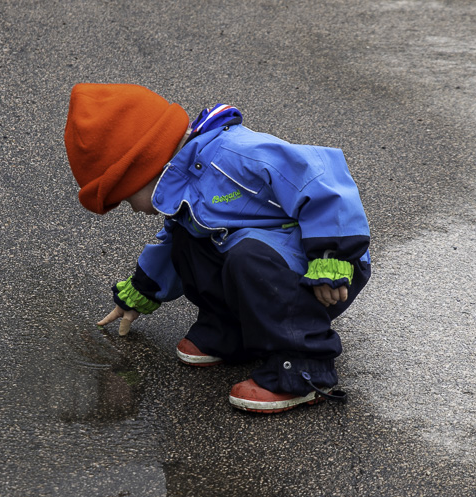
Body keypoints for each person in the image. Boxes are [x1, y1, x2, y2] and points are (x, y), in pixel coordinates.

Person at [64, 82, 372, 413]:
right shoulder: (185, 183)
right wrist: (141, 291)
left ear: (143, 167)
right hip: (268, 267)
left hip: (324, 270)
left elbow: (323, 179)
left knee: (246, 255)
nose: (134, 208)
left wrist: (331, 258)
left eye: (126, 197)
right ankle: (232, 333)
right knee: (187, 238)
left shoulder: (235, 153)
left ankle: (303, 366)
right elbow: (169, 247)